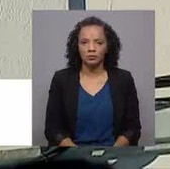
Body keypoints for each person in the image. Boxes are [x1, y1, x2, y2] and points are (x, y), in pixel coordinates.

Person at [44, 16, 142, 147]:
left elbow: (132, 128)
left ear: (108, 47)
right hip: (72, 155)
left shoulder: (124, 79)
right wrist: (76, 153)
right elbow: (53, 129)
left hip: (115, 154)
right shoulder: (61, 80)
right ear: (76, 46)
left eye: (99, 43)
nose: (91, 48)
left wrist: (113, 151)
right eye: (84, 42)